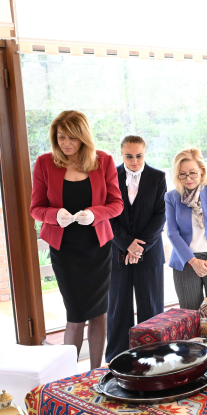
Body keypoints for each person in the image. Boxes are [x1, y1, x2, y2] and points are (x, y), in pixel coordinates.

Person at [30, 111, 123, 370]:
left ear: (83, 137)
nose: (66, 143)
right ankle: (70, 376)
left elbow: (116, 204)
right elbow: (35, 209)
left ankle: (95, 372)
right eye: (61, 137)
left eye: (72, 137)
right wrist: (54, 215)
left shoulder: (103, 161)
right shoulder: (44, 162)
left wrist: (94, 214)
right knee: (75, 315)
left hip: (97, 249)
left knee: (99, 313)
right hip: (65, 250)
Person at [106, 135, 167, 361]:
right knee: (117, 310)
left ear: (145, 153)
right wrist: (126, 244)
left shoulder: (158, 177)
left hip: (149, 254)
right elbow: (107, 215)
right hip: (117, 252)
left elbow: (161, 215)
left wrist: (139, 247)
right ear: (121, 154)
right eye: (129, 156)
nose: (134, 161)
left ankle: (153, 358)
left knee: (151, 309)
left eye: (139, 156)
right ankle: (117, 360)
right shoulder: (109, 176)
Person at [165, 148, 207, 310]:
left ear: (202, 170)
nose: (188, 178)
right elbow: (172, 232)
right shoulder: (171, 197)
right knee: (190, 314)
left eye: (192, 173)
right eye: (182, 174)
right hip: (186, 261)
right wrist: (193, 261)